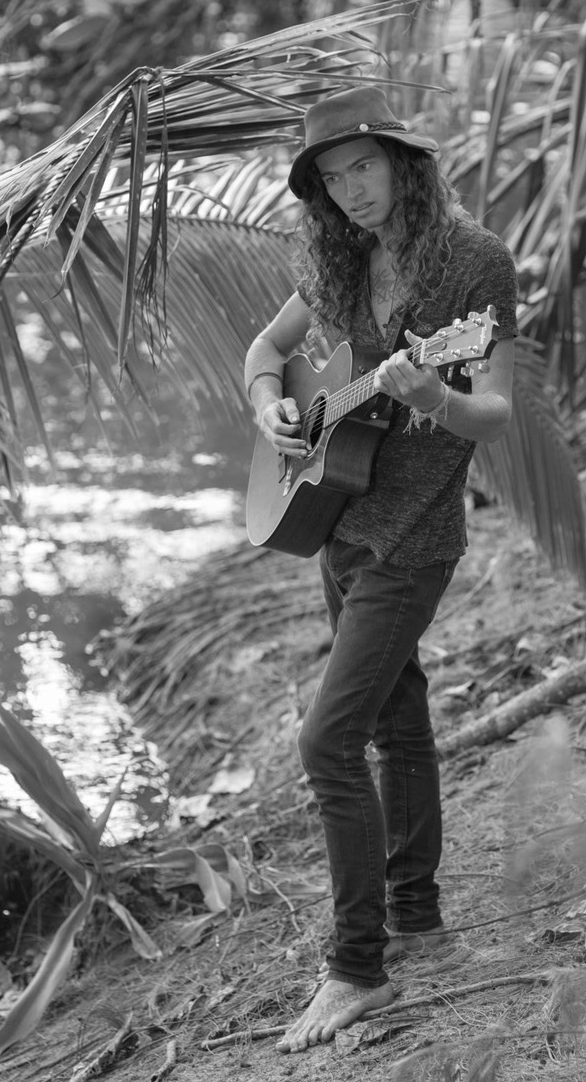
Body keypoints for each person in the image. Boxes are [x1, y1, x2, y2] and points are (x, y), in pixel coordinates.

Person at [244, 85, 518, 1053]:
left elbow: (493, 411)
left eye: (363, 165)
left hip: (412, 536)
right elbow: (266, 350)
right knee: (397, 723)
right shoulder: (343, 256)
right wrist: (270, 405)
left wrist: (430, 396)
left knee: (327, 743)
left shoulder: (474, 262)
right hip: (338, 516)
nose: (351, 189)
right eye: (331, 177)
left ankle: (356, 968)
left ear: (403, 162)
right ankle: (416, 914)